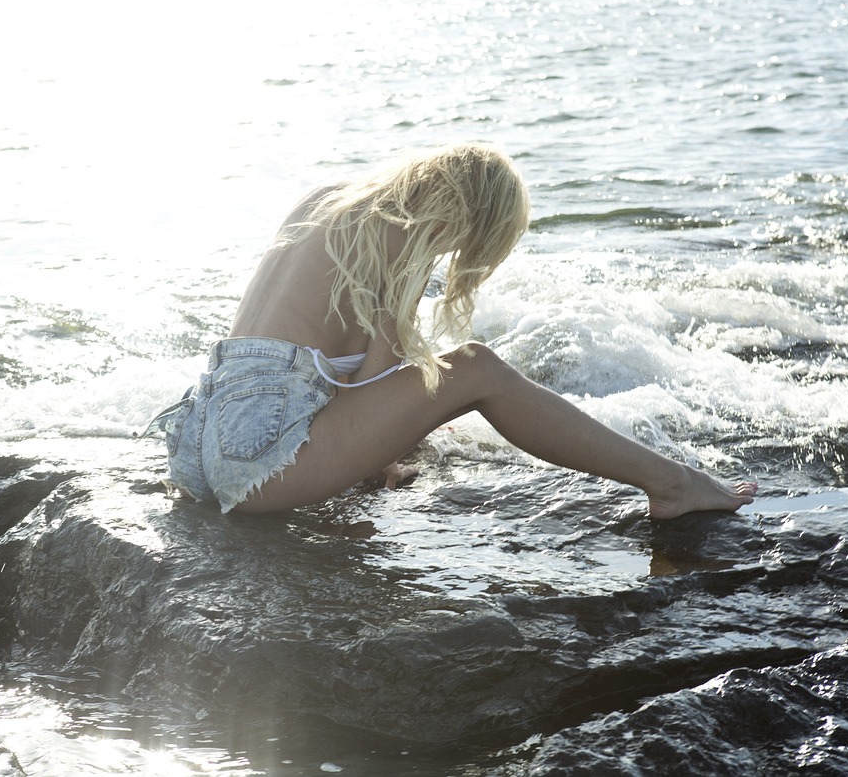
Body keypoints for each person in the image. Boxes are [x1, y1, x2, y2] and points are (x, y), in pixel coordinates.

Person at [153, 142, 756, 519]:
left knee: (460, 370)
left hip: (198, 444)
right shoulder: (399, 232)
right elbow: (376, 380)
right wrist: (375, 461)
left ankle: (670, 480)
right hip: (256, 462)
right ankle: (670, 482)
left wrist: (361, 448)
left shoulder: (330, 200)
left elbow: (295, 357)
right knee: (476, 368)